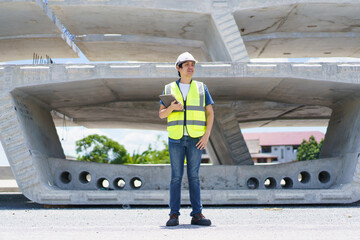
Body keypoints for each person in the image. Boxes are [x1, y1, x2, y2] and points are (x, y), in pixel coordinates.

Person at [159, 52, 214, 226]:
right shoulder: (168, 89)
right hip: (175, 138)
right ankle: (173, 215)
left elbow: (210, 113)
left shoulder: (201, 87)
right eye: (187, 64)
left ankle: (197, 214)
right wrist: (172, 108)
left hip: (195, 138)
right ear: (178, 68)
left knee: (194, 177)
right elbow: (161, 114)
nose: (191, 67)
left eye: (193, 64)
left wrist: (206, 136)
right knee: (176, 177)